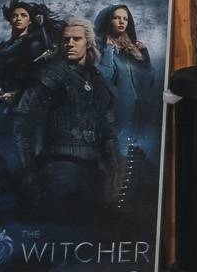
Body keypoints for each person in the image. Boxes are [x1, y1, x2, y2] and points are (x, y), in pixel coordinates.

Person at [11, 18, 121, 224]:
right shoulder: (53, 73)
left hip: (96, 172)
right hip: (59, 170)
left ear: (88, 43)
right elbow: (22, 124)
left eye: (76, 39)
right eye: (65, 39)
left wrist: (116, 174)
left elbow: (109, 132)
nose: (69, 43)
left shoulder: (99, 82)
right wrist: (29, 174)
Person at [93, 2, 161, 141]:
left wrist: (145, 57)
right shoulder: (100, 48)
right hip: (115, 111)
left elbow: (150, 78)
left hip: (138, 109)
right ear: (107, 21)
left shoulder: (133, 50)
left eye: (125, 19)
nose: (121, 22)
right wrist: (109, 50)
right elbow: (104, 77)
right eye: (116, 18)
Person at [0, 0, 53, 109]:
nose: (18, 18)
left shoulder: (34, 43)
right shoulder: (3, 45)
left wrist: (16, 94)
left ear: (30, 21)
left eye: (23, 15)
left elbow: (38, 71)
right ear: (10, 20)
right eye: (15, 16)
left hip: (21, 99)